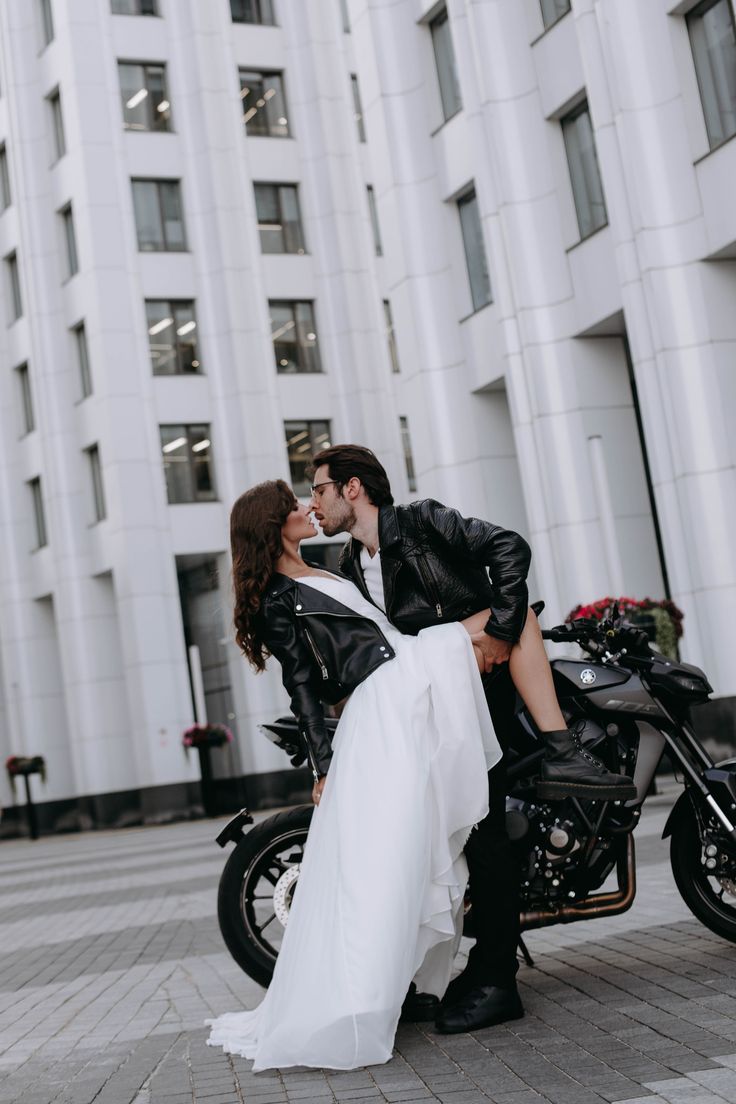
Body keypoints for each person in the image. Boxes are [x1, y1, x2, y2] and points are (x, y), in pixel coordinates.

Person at [308, 444, 636, 1034]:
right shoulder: (351, 567)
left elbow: (508, 546)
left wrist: (503, 630)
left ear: (352, 488)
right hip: (434, 704)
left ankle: (497, 979)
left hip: (484, 694)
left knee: (486, 830)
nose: (314, 505)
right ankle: (468, 969)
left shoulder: (422, 521)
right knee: (450, 834)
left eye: (319, 490)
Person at [206, 479, 503, 1070]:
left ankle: (403, 981)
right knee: (389, 857)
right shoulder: (276, 597)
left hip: (403, 682)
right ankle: (364, 997)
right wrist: (322, 763)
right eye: (292, 505)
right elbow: (303, 688)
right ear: (273, 524)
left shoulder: (325, 566)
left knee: (403, 850)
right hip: (387, 701)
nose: (303, 507)